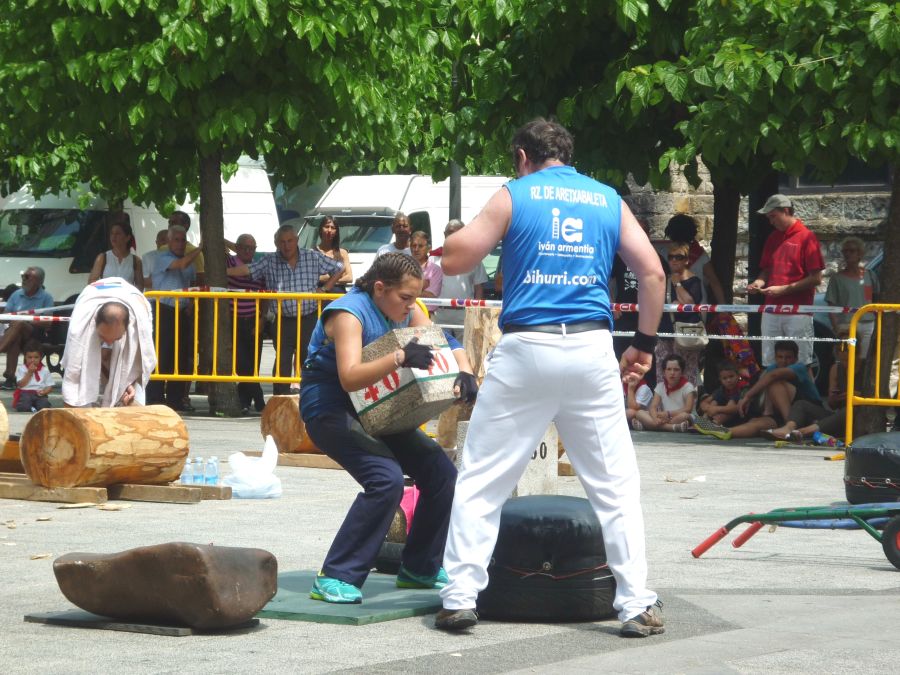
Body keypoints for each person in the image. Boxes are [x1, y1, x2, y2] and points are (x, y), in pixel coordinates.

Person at [437, 118, 666, 637]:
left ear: (522, 156)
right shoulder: (607, 198)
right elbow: (653, 274)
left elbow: (457, 258)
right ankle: (634, 604)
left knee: (482, 477)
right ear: (567, 154)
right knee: (614, 484)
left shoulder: (514, 194)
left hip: (527, 348)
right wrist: (644, 345)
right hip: (591, 349)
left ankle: (459, 597)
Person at [300, 253, 476, 604]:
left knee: (441, 473)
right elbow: (349, 378)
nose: (412, 306)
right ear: (380, 288)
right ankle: (335, 575)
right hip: (330, 408)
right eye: (405, 298)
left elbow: (446, 344)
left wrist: (465, 371)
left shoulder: (406, 308)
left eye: (415, 298)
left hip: (378, 407)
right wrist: (398, 357)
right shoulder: (348, 313)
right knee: (386, 479)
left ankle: (420, 568)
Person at [226, 224, 343, 395]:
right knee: (282, 359)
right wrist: (224, 271)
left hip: (308, 317)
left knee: (308, 358)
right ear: (276, 243)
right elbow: (247, 270)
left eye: (289, 241)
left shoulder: (312, 256)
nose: (286, 245)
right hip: (282, 319)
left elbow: (339, 268)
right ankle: (280, 397)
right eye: (282, 242)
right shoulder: (270, 260)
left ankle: (309, 396)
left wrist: (325, 289)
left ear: (296, 241)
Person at [749, 194, 824, 368]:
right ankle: (774, 395)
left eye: (773, 216)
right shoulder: (773, 238)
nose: (770, 221)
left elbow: (816, 278)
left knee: (802, 363)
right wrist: (759, 283)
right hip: (771, 309)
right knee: (769, 361)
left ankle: (805, 395)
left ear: (786, 211)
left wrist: (784, 290)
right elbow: (767, 269)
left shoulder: (807, 237)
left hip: (797, 311)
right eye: (768, 218)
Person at [61, 278, 156, 408]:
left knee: (134, 397)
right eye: (103, 337)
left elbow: (139, 363)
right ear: (95, 323)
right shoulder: (80, 326)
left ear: (127, 327)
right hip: (90, 297)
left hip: (133, 301)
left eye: (116, 338)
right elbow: (73, 373)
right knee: (78, 394)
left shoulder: (139, 324)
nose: (109, 342)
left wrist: (128, 383)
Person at [145, 225, 203, 411]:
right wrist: (201, 249)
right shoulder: (162, 258)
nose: (180, 244)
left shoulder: (190, 262)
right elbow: (181, 265)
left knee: (180, 355)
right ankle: (154, 397)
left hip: (182, 311)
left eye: (183, 240)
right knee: (162, 354)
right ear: (168, 242)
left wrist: (191, 305)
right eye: (176, 240)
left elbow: (191, 284)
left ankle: (175, 399)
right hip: (163, 309)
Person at [610, 217, 667, 373]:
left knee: (646, 356)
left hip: (646, 315)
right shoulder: (620, 257)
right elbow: (604, 279)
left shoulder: (657, 259)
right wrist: (612, 304)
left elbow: (661, 285)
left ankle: (645, 392)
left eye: (644, 231)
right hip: (624, 314)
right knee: (620, 354)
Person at [226, 234, 267, 414]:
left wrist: (262, 318)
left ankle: (245, 400)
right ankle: (258, 398)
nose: (248, 251)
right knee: (242, 363)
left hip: (253, 318)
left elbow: (266, 295)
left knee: (253, 364)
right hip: (234, 318)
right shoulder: (229, 262)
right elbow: (217, 240)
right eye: (244, 247)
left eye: (252, 248)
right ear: (237, 247)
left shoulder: (259, 266)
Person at [655, 241, 704, 385]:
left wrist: (677, 284)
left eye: (679, 257)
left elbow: (689, 303)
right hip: (665, 331)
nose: (674, 260)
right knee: (662, 371)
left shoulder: (694, 280)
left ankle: (688, 406)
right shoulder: (665, 280)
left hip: (686, 332)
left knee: (687, 371)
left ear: (687, 260)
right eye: (671, 257)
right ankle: (662, 406)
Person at [432, 220, 488, 340]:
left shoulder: (474, 259)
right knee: (439, 350)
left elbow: (479, 288)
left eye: (459, 233)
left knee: (465, 350)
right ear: (444, 234)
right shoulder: (434, 259)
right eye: (450, 232)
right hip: (440, 313)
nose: (454, 236)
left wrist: (476, 313)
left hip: (464, 314)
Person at [0, 266, 54, 390]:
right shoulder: (16, 294)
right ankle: (10, 378)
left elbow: (48, 323)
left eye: (28, 277)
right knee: (16, 337)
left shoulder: (47, 297)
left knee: (19, 323)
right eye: (23, 276)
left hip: (36, 334)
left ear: (39, 282)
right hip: (16, 333)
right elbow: (4, 317)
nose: (24, 279)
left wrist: (28, 318)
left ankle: (1, 349)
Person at [825, 236, 879, 359]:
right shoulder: (837, 278)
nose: (848, 254)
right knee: (846, 359)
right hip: (847, 324)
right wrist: (836, 328)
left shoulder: (870, 275)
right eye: (845, 251)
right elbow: (831, 305)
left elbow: (876, 298)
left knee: (864, 359)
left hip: (868, 323)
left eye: (852, 250)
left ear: (860, 253)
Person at [663, 214, 726, 305]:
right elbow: (714, 281)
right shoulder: (700, 254)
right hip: (697, 307)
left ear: (670, 232)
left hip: (669, 306)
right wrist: (722, 306)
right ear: (692, 233)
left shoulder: (663, 253)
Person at [631, 354, 696, 432]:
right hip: (664, 418)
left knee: (685, 416)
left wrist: (668, 414)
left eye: (676, 369)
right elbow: (653, 407)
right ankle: (672, 427)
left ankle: (648, 426)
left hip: (677, 417)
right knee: (639, 413)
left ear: (682, 372)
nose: (672, 373)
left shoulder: (688, 387)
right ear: (664, 372)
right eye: (669, 369)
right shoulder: (660, 386)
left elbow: (688, 409)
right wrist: (655, 419)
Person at [88, 212, 144, 291]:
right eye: (112, 233)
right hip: (106, 299)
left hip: (125, 300)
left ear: (127, 237)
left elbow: (140, 285)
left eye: (118, 234)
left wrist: (128, 292)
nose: (113, 237)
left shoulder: (136, 261)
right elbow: (92, 282)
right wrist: (107, 288)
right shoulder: (102, 258)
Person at [694, 360, 748, 430]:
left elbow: (734, 408)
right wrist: (709, 408)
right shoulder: (722, 389)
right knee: (714, 402)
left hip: (741, 417)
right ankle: (704, 422)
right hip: (724, 415)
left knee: (730, 402)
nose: (728, 380)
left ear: (738, 376)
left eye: (731, 376)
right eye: (725, 378)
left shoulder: (741, 387)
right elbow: (704, 403)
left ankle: (714, 424)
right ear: (720, 380)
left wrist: (716, 409)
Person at [163, 211, 205, 285]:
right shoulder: (162, 249)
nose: (170, 225)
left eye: (174, 222)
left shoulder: (197, 253)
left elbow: (200, 281)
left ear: (186, 225)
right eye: (170, 222)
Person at [315, 216, 353, 291]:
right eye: (326, 227)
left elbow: (349, 277)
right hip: (320, 297)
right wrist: (339, 276)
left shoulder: (342, 253)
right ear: (321, 230)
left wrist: (330, 281)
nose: (329, 230)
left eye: (333, 228)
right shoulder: (313, 252)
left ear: (336, 232)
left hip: (338, 298)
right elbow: (313, 277)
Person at [13, 340, 53, 412]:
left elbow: (50, 386)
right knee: (23, 406)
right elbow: (21, 384)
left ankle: (34, 406)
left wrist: (44, 392)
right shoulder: (22, 369)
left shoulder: (45, 370)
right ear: (25, 357)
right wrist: (29, 373)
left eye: (36, 357)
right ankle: (31, 407)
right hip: (26, 392)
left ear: (40, 357)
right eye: (30, 357)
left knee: (44, 406)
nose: (32, 360)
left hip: (39, 393)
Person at [409, 231, 442, 298]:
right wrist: (422, 286)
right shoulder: (403, 267)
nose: (416, 249)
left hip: (427, 308)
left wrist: (407, 291)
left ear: (429, 248)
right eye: (414, 245)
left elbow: (431, 295)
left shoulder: (435, 270)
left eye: (420, 246)